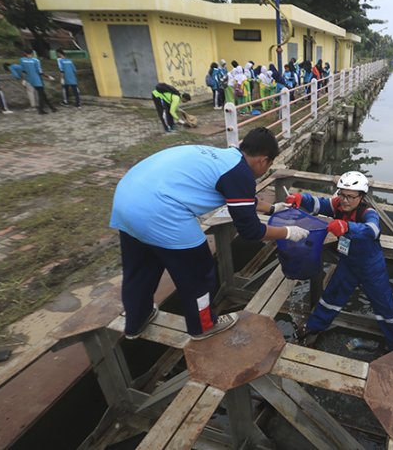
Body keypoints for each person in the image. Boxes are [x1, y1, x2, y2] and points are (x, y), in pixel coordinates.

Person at [109, 127, 310, 340]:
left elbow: (240, 198)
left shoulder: (224, 158)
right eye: (269, 165)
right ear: (263, 160)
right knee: (200, 272)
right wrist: (288, 232)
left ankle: (135, 322)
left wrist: (271, 209)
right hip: (160, 211)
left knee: (141, 269)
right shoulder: (240, 174)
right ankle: (203, 326)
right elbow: (251, 231)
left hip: (127, 199)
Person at [277, 171, 393, 351]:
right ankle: (312, 328)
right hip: (348, 263)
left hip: (370, 266)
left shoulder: (368, 213)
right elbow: (320, 204)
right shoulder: (338, 205)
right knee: (331, 296)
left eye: (351, 197)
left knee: (384, 305)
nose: (345, 200)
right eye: (342, 195)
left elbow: (373, 230)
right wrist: (301, 198)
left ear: (361, 197)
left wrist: (347, 226)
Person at [20, 48, 57, 115]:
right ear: (32, 53)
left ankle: (52, 108)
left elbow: (23, 71)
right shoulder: (36, 60)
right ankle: (41, 109)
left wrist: (24, 79)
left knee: (42, 94)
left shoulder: (22, 60)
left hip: (30, 79)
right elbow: (40, 72)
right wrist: (48, 76)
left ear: (25, 53)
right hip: (37, 80)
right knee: (41, 95)